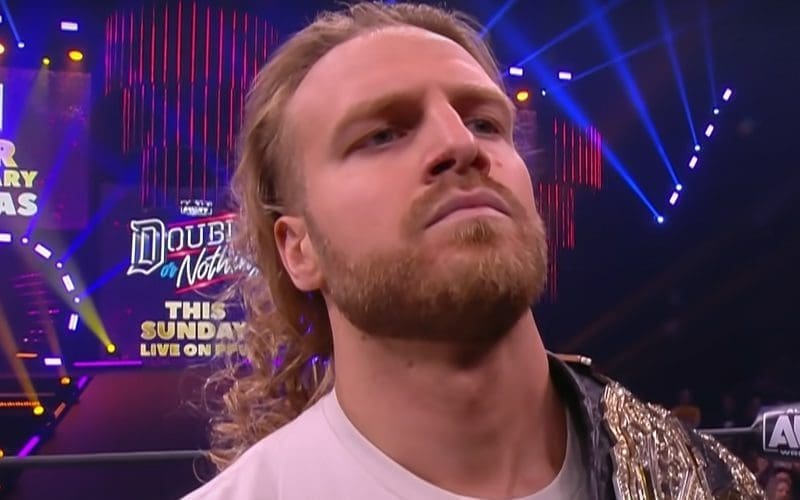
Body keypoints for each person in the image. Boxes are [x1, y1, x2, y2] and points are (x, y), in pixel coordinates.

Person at [184, 2, 762, 498]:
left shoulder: (703, 481)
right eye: (382, 134)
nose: (460, 144)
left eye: (485, 123)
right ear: (299, 248)